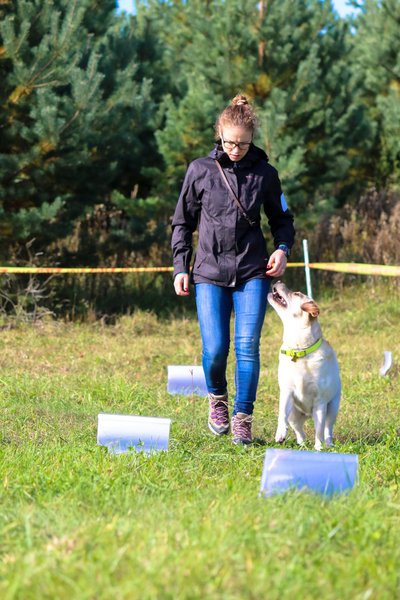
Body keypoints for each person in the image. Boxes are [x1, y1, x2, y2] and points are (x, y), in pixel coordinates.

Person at [171, 94, 295, 444]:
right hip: (209, 271)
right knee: (214, 349)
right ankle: (218, 399)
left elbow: (282, 219)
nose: (235, 149)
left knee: (247, 346)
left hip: (252, 271)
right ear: (219, 136)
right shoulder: (200, 170)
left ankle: (243, 416)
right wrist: (181, 265)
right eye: (228, 142)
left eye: (241, 143)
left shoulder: (266, 174)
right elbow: (182, 222)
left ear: (252, 138)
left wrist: (282, 249)